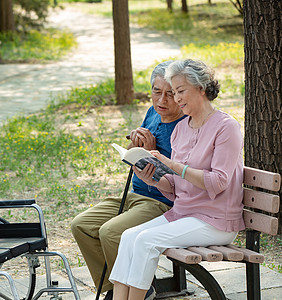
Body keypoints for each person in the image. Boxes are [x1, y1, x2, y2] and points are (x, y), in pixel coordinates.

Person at [109, 59, 245, 300]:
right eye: (174, 92)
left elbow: (218, 182)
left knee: (145, 241)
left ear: (201, 88)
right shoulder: (182, 129)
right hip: (183, 214)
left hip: (216, 221)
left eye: (180, 91)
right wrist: (152, 177)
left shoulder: (226, 127)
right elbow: (175, 188)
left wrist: (173, 165)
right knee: (129, 237)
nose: (176, 98)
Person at [70, 61, 186, 300]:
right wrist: (135, 146)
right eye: (157, 92)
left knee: (111, 232)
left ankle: (139, 289)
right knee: (81, 225)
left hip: (161, 202)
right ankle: (116, 289)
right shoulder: (153, 113)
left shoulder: (186, 126)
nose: (162, 100)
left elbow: (183, 178)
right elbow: (135, 156)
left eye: (170, 94)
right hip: (135, 195)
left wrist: (152, 153)